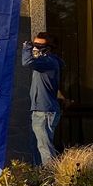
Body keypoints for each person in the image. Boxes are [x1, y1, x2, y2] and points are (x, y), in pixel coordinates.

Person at [22, 32, 63, 165]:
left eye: (38, 45)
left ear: (48, 48)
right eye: (34, 44)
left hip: (45, 111)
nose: (35, 47)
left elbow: (27, 62)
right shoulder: (45, 61)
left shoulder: (48, 61)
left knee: (45, 148)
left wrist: (26, 47)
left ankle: (51, 179)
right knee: (36, 147)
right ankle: (40, 179)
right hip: (40, 110)